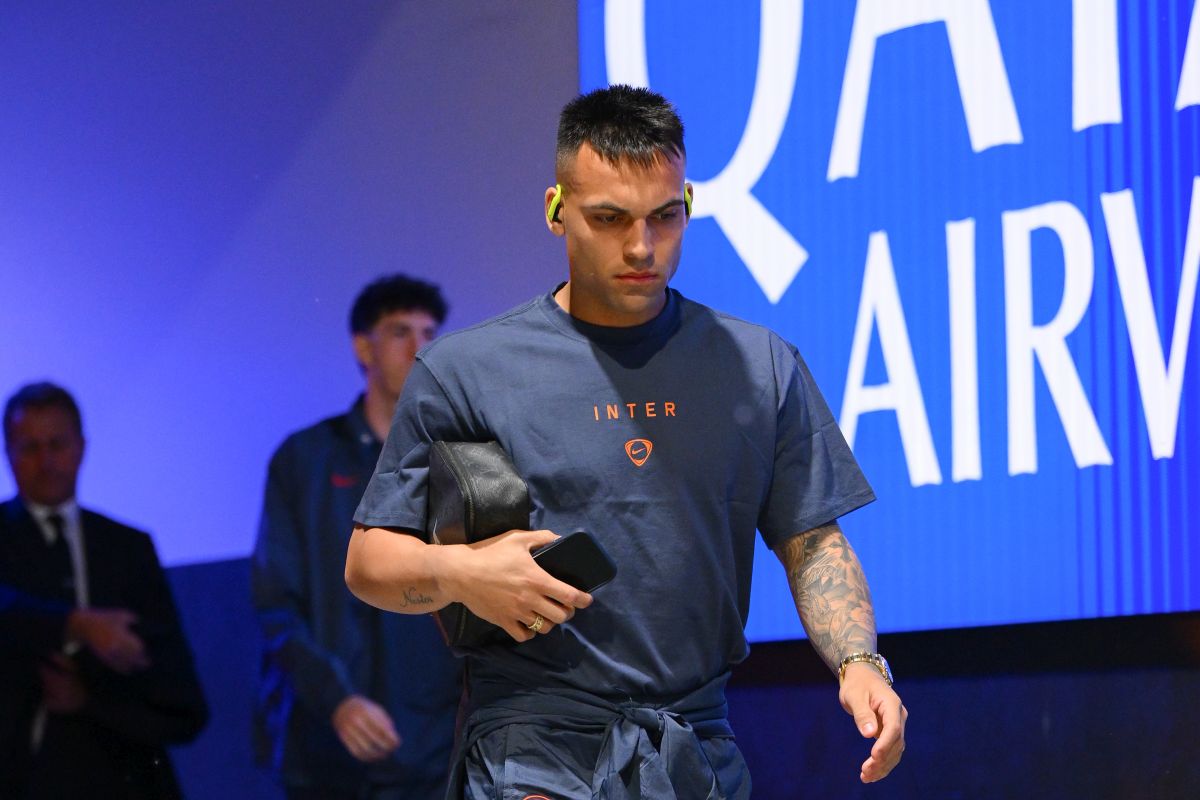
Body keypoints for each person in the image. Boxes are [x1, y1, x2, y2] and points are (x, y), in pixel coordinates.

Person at [344, 85, 907, 798]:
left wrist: (859, 661)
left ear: (688, 205)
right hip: (532, 748)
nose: (641, 246)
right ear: (556, 209)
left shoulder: (759, 365)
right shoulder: (466, 371)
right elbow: (367, 562)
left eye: (664, 217)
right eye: (609, 219)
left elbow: (812, 539)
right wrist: (463, 574)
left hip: (694, 753)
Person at [252, 274, 464, 800]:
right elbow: (276, 603)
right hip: (328, 748)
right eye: (400, 332)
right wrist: (336, 700)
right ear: (363, 348)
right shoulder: (305, 460)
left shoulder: (462, 459)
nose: (419, 349)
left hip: (437, 747)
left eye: (429, 333)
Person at [0, 381, 208, 799]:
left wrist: (90, 699)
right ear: (9, 454)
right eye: (30, 448)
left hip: (121, 772)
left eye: (57, 444)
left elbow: (180, 696)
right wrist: (77, 625)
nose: (46, 462)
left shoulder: (127, 547)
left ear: (81, 447)